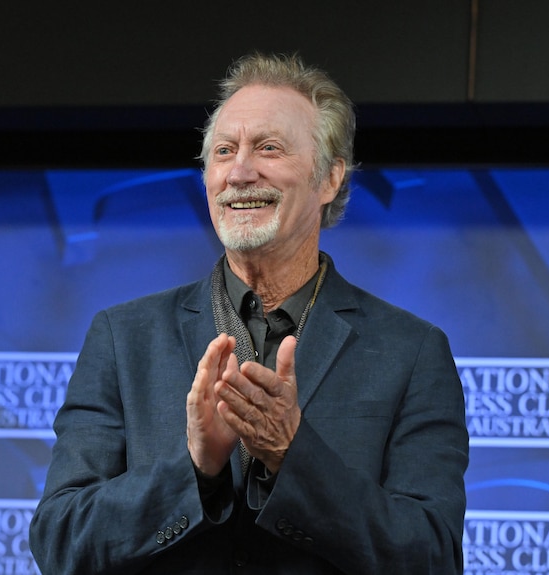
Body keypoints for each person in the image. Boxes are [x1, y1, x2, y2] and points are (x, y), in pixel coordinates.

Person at [29, 52, 469, 574]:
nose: (239, 171)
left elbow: (431, 556)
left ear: (329, 179)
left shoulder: (410, 352)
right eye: (223, 151)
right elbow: (60, 543)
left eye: (269, 148)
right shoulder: (124, 338)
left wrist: (294, 456)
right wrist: (195, 470)